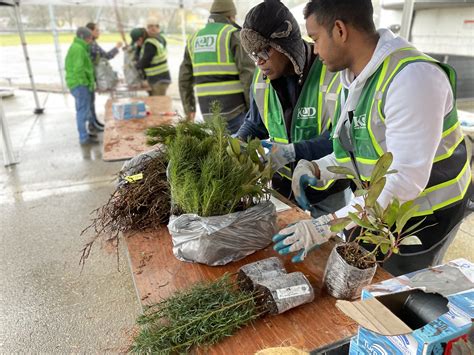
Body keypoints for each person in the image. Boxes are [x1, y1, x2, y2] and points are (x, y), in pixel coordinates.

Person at [273, 0, 471, 275]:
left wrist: (329, 224)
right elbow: (354, 150)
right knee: (358, 271)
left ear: (340, 30)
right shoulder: (353, 78)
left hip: (425, 214)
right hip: (380, 206)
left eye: (315, 39)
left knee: (397, 288)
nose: (314, 49)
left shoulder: (412, 78)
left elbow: (404, 179)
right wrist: (318, 168)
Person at [237, 0, 349, 216]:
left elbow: (341, 140)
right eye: (254, 54)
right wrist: (239, 141)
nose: (259, 62)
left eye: (265, 51)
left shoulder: (331, 72)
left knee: (328, 245)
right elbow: (255, 123)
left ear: (285, 44)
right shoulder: (261, 79)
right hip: (283, 189)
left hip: (327, 191)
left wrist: (292, 152)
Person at [178, 0, 255, 134]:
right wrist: (253, 111)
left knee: (219, 151)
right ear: (231, 16)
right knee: (240, 152)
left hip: (207, 112)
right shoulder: (232, 34)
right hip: (234, 110)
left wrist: (189, 108)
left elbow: (184, 78)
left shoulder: (194, 38)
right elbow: (248, 75)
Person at [85, 22, 123, 132]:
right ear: (90, 31)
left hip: (92, 77)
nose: (99, 32)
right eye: (97, 30)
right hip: (90, 77)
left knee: (91, 101)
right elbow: (106, 56)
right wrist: (117, 47)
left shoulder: (93, 43)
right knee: (89, 102)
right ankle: (92, 125)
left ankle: (94, 122)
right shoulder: (91, 45)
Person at [65, 27, 98, 145]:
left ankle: (85, 134)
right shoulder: (78, 49)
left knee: (83, 109)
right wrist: (86, 83)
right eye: (89, 38)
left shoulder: (78, 47)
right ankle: (83, 138)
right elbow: (79, 69)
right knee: (82, 111)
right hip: (80, 85)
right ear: (84, 38)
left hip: (77, 83)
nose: (90, 41)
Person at [130, 27, 171, 96]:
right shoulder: (146, 43)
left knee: (157, 103)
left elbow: (145, 62)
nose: (137, 44)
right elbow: (138, 55)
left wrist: (135, 66)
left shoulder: (150, 44)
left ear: (140, 39)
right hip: (155, 79)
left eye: (137, 42)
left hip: (160, 80)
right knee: (153, 101)